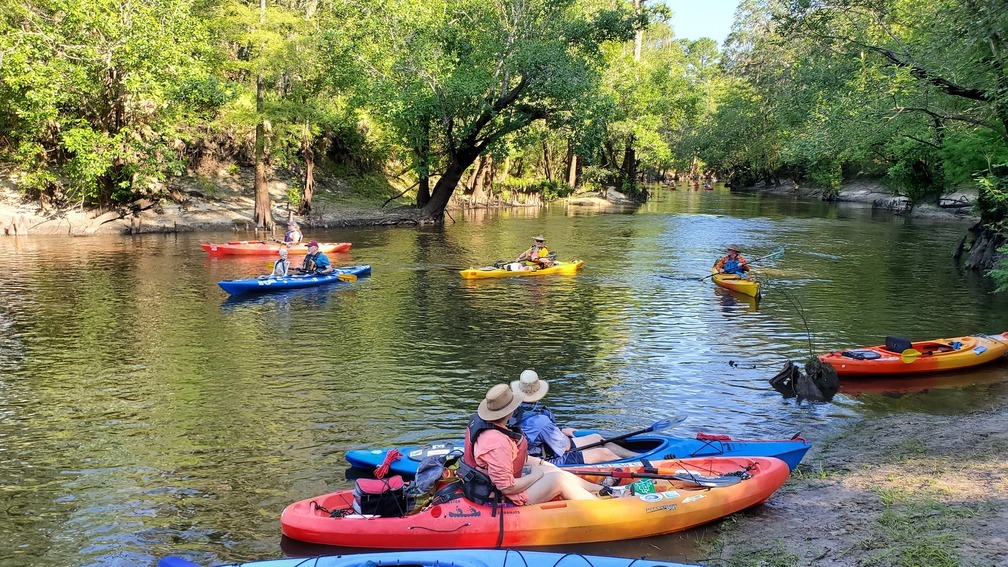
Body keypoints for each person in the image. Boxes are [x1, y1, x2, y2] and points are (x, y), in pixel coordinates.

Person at [458, 384, 603, 507]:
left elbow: (514, 457)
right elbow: (507, 488)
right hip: (502, 497)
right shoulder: (497, 442)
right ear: (510, 410)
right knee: (559, 481)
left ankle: (605, 490)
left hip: (492, 483)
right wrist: (536, 475)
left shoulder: (491, 427)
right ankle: (602, 508)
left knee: (556, 472)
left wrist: (543, 464)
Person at [509, 370, 640, 465]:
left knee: (597, 439)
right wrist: (562, 435)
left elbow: (535, 432)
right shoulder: (540, 420)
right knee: (603, 453)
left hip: (537, 452)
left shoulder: (511, 410)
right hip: (544, 461)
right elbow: (565, 446)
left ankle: (638, 457)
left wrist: (560, 431)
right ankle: (636, 464)